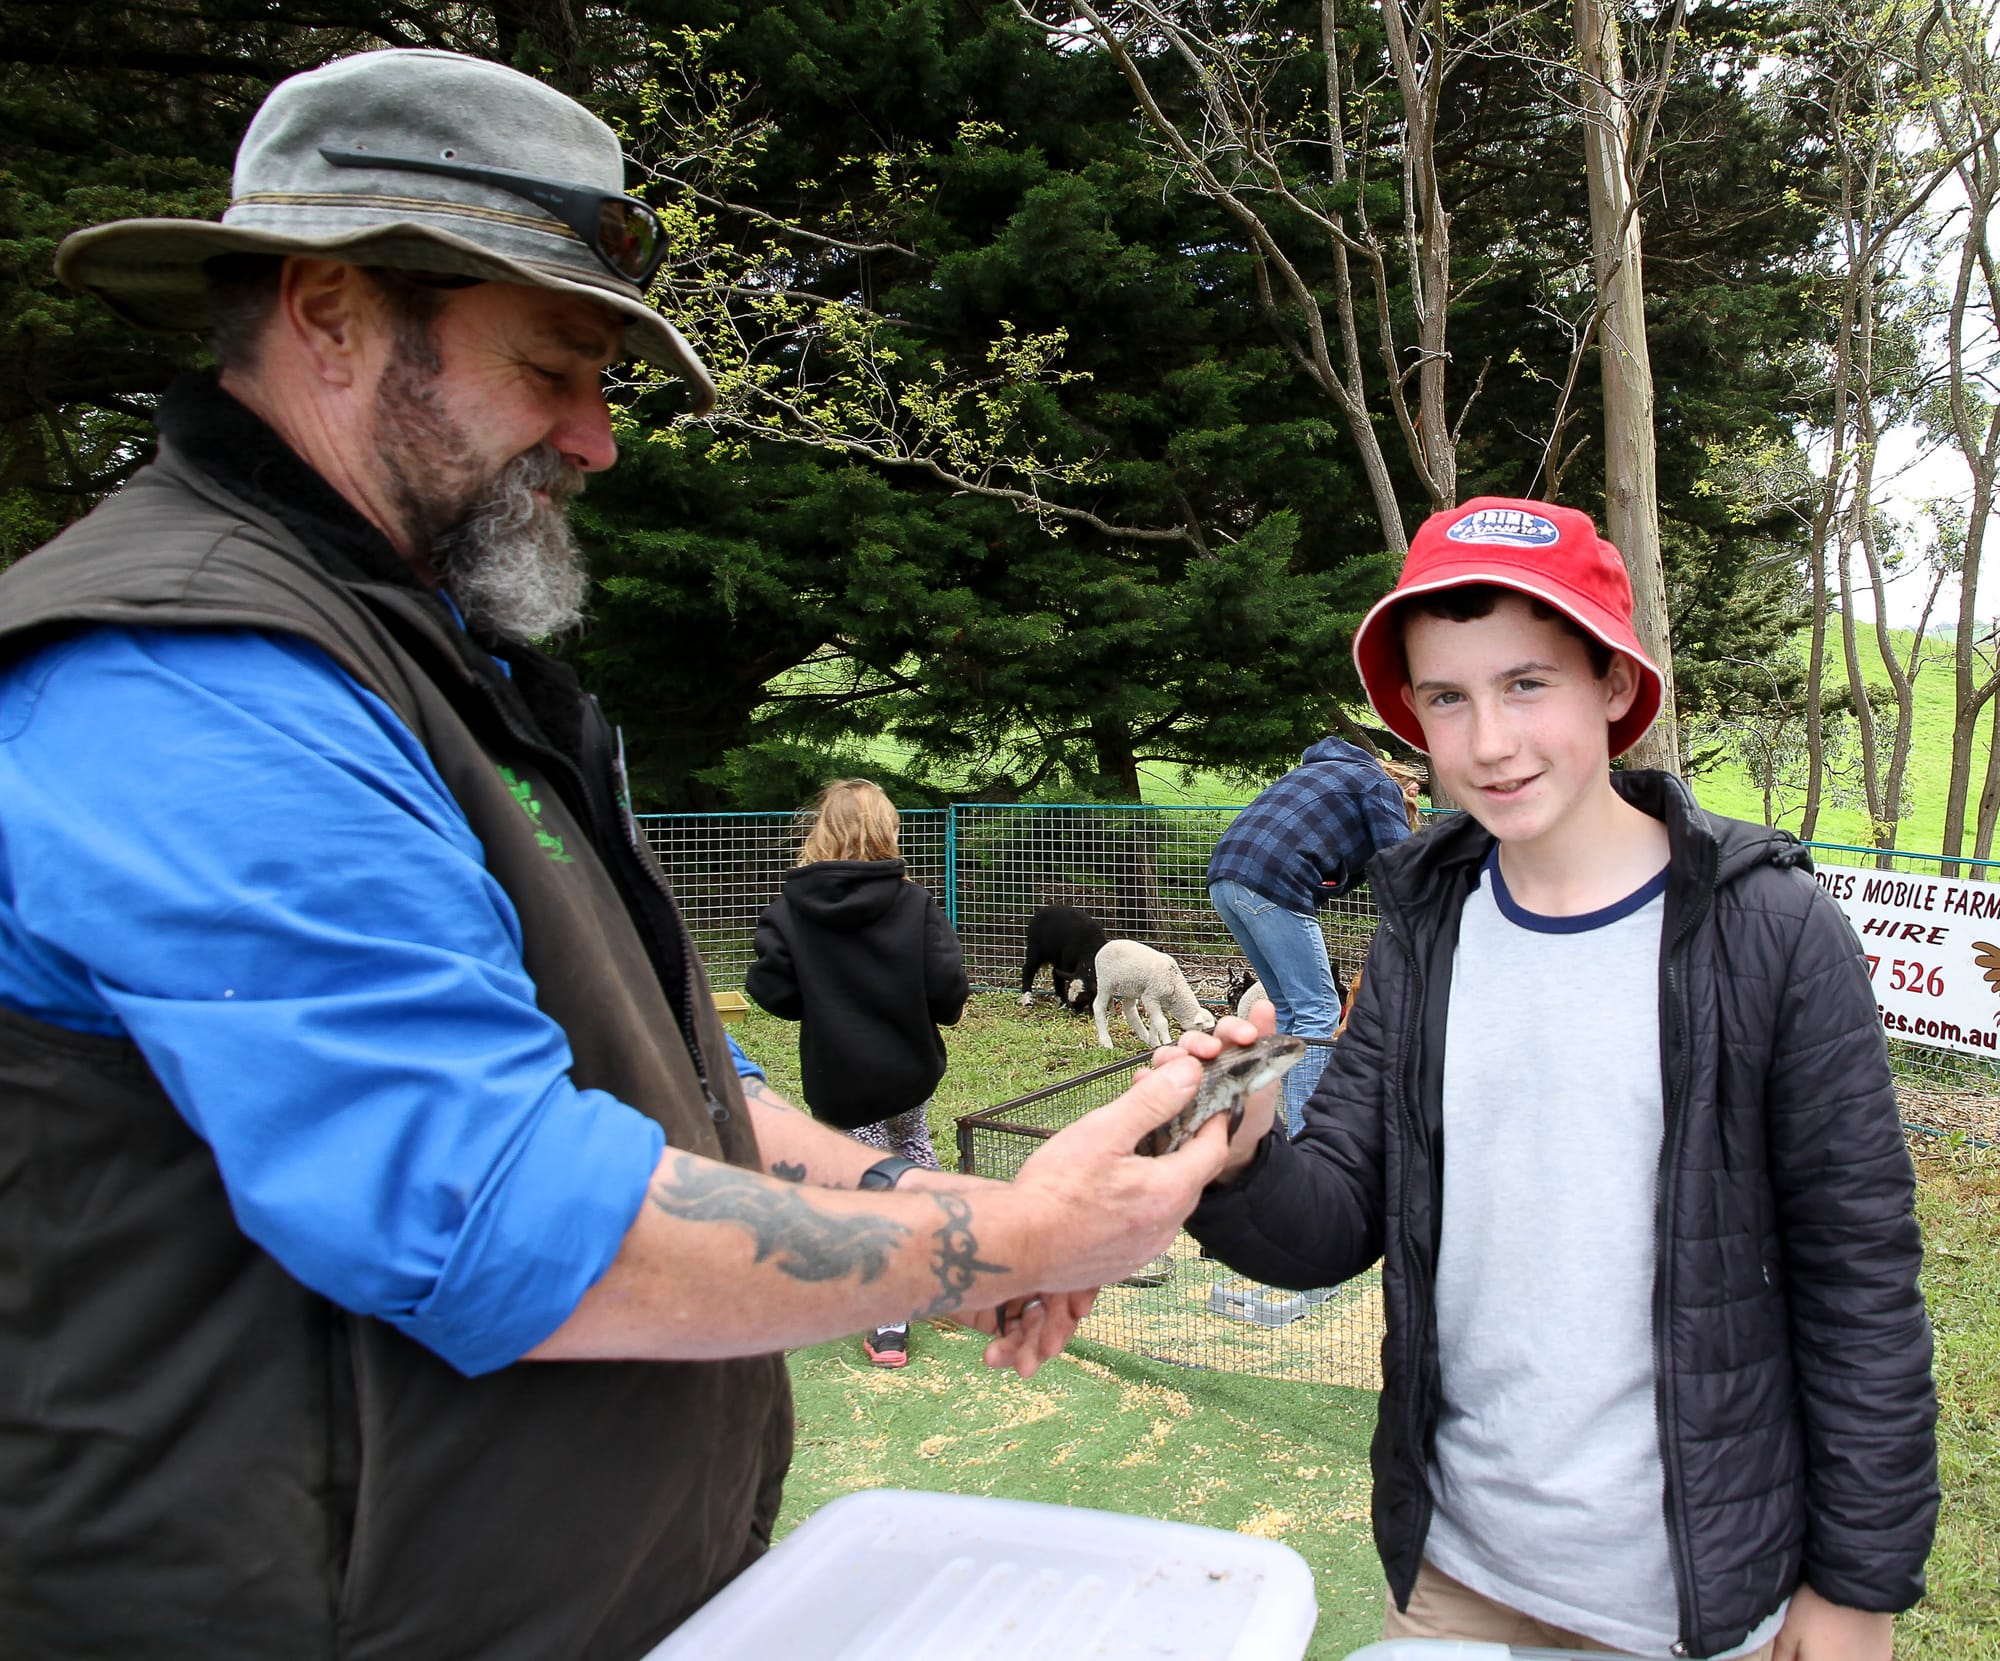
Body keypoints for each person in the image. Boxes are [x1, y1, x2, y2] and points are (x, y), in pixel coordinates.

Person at [0, 49, 1238, 1659]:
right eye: (551, 368)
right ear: (329, 313)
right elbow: (497, 1213)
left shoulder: (429, 660)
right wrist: (1008, 1237)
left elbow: (656, 1066)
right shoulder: (188, 683)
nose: (594, 439)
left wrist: (896, 1197)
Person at [1187, 497, 1938, 1660]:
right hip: (1455, 1573)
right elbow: (1336, 1210)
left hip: (1699, 1596)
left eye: (1526, 682)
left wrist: (1857, 1585)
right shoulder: (1423, 928)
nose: (1487, 741)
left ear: (1612, 688)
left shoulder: (1772, 932)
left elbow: (1858, 1280)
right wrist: (1235, 1155)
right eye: (1446, 696)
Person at [745, 779, 970, 1367]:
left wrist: (822, 999)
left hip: (841, 1071)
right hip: (908, 1066)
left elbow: (770, 989)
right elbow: (948, 988)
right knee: (913, 1151)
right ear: (886, 830)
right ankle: (943, 1274)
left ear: (821, 831)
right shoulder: (914, 903)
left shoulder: (789, 909)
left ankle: (889, 1318)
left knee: (870, 1179)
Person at [1207, 734, 1420, 1130]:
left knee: (1289, 1009)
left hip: (1225, 879)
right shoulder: (1376, 783)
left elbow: (1339, 870)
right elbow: (1401, 866)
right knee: (1319, 1009)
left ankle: (1286, 1126)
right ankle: (1309, 1136)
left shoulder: (1321, 775)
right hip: (1271, 881)